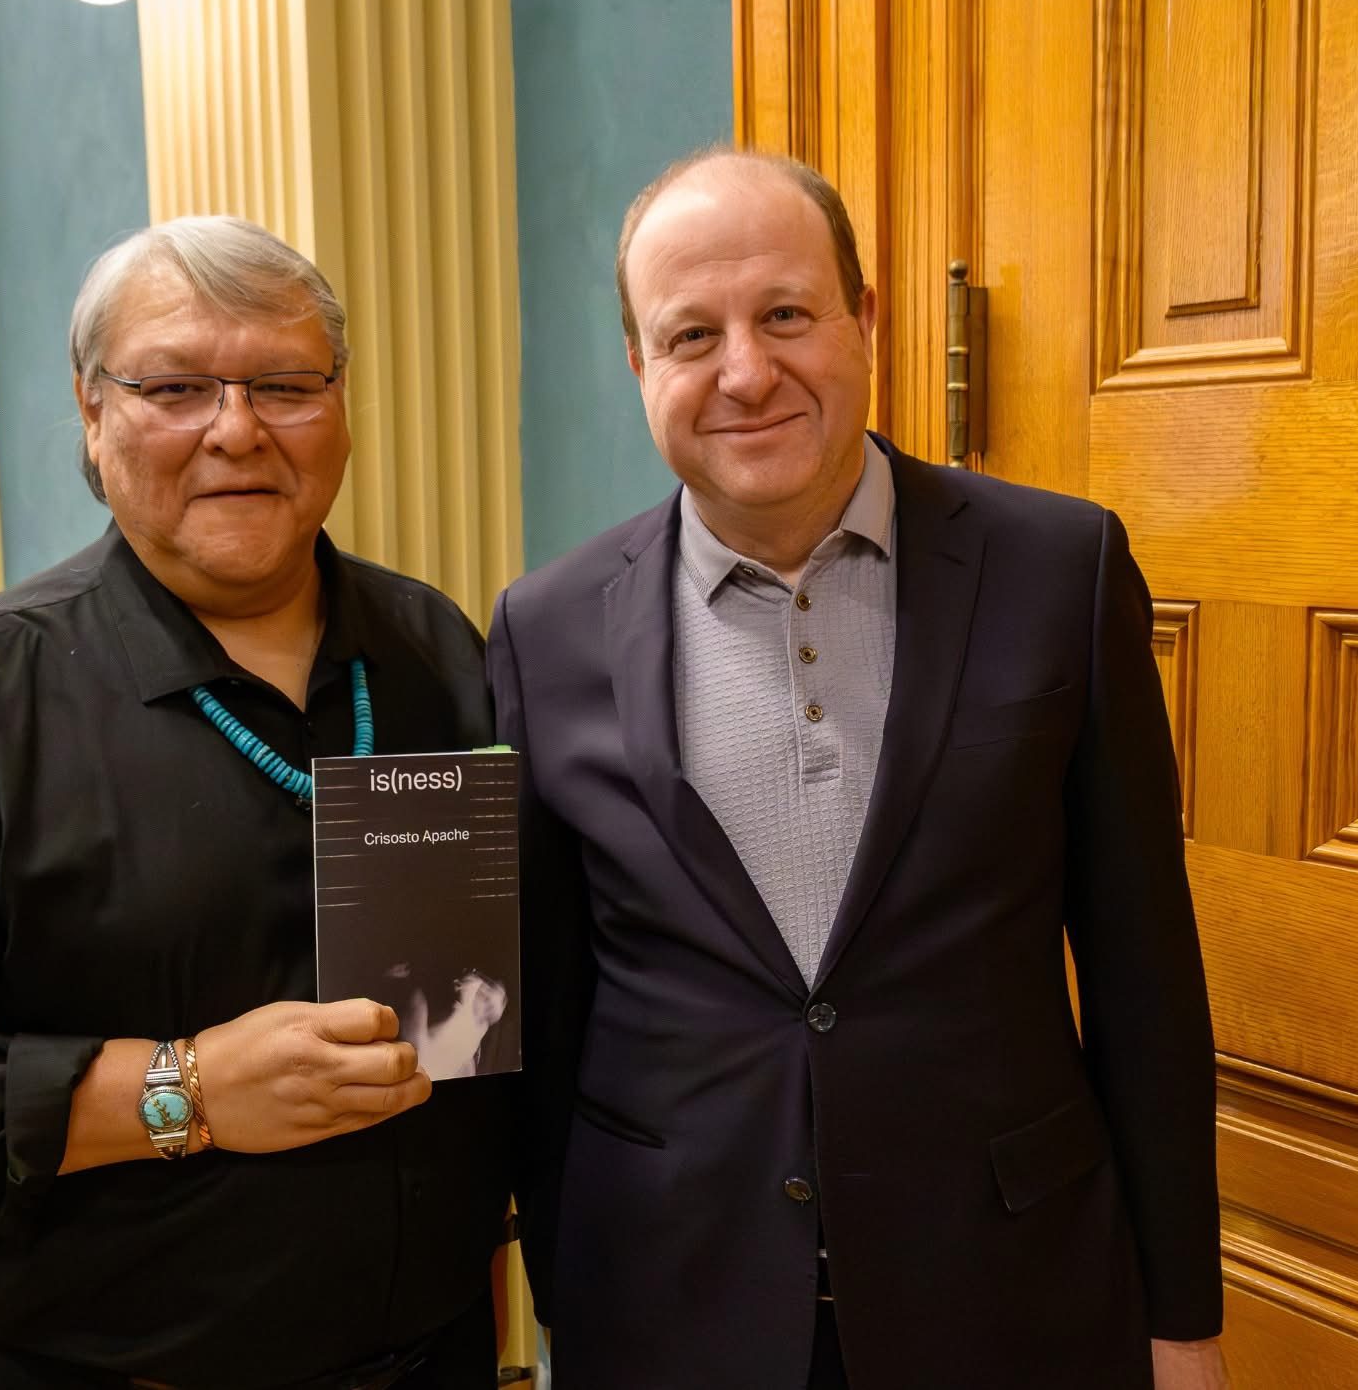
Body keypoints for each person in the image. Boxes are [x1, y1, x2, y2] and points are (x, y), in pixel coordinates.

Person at [0, 216, 512, 1390]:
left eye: (285, 383)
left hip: (432, 1359)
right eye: (174, 387)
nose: (236, 428)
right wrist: (177, 1091)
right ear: (92, 413)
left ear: (340, 405)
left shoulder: (434, 646)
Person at [489, 148, 1228, 1388]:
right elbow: (549, 1012)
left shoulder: (1061, 570)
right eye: (689, 335)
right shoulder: (542, 627)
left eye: (785, 314)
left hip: (1008, 1298)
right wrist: (564, 1289)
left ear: (864, 319)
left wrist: (1181, 1318)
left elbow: (1143, 972)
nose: (744, 372)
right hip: (670, 1306)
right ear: (636, 365)